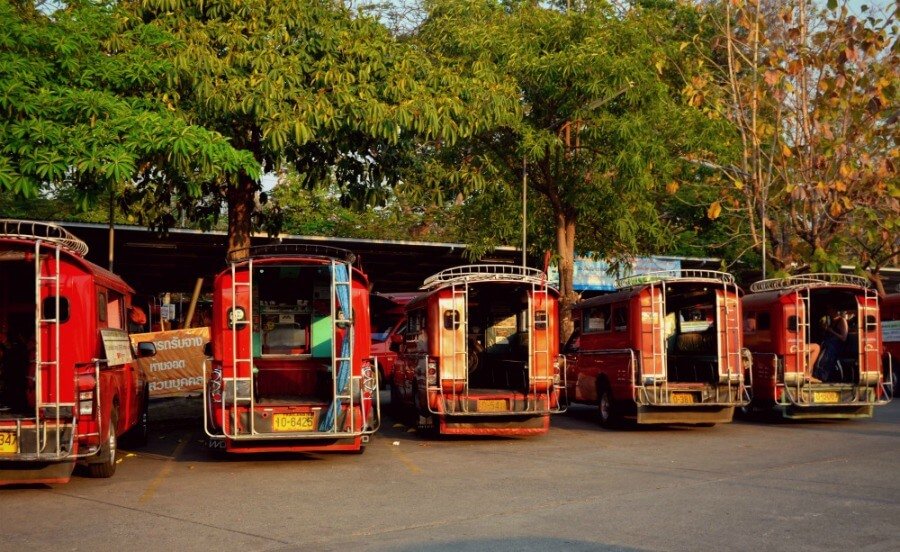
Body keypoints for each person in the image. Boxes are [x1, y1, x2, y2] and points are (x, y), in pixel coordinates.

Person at [811, 305, 848, 382]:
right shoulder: (832, 321)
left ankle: (822, 375)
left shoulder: (842, 321)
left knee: (828, 352)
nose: (828, 312)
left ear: (834, 311)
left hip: (838, 346)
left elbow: (843, 338)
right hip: (829, 344)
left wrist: (832, 331)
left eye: (830, 310)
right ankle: (816, 373)